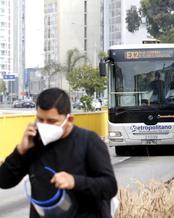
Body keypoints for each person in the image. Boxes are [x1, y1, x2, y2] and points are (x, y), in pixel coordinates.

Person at [0, 88, 118, 217]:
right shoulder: (34, 143)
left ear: (70, 119)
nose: (44, 126)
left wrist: (74, 181)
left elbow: (109, 186)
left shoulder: (89, 141)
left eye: (52, 121)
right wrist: (20, 150)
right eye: (40, 120)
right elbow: (4, 181)